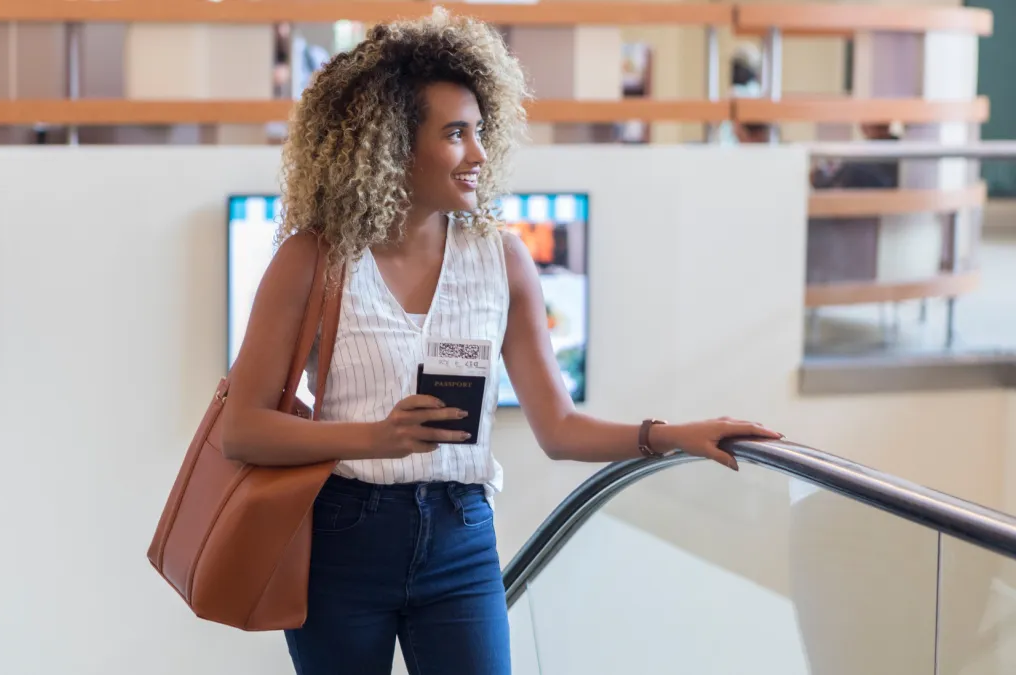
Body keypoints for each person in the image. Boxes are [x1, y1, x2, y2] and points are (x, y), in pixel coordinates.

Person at [222, 10, 783, 675]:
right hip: (344, 537)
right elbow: (242, 429)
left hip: (461, 539)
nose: (479, 155)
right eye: (455, 134)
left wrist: (671, 435)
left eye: (480, 131)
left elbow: (559, 426)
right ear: (393, 144)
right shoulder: (313, 259)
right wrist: (370, 437)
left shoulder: (503, 261)